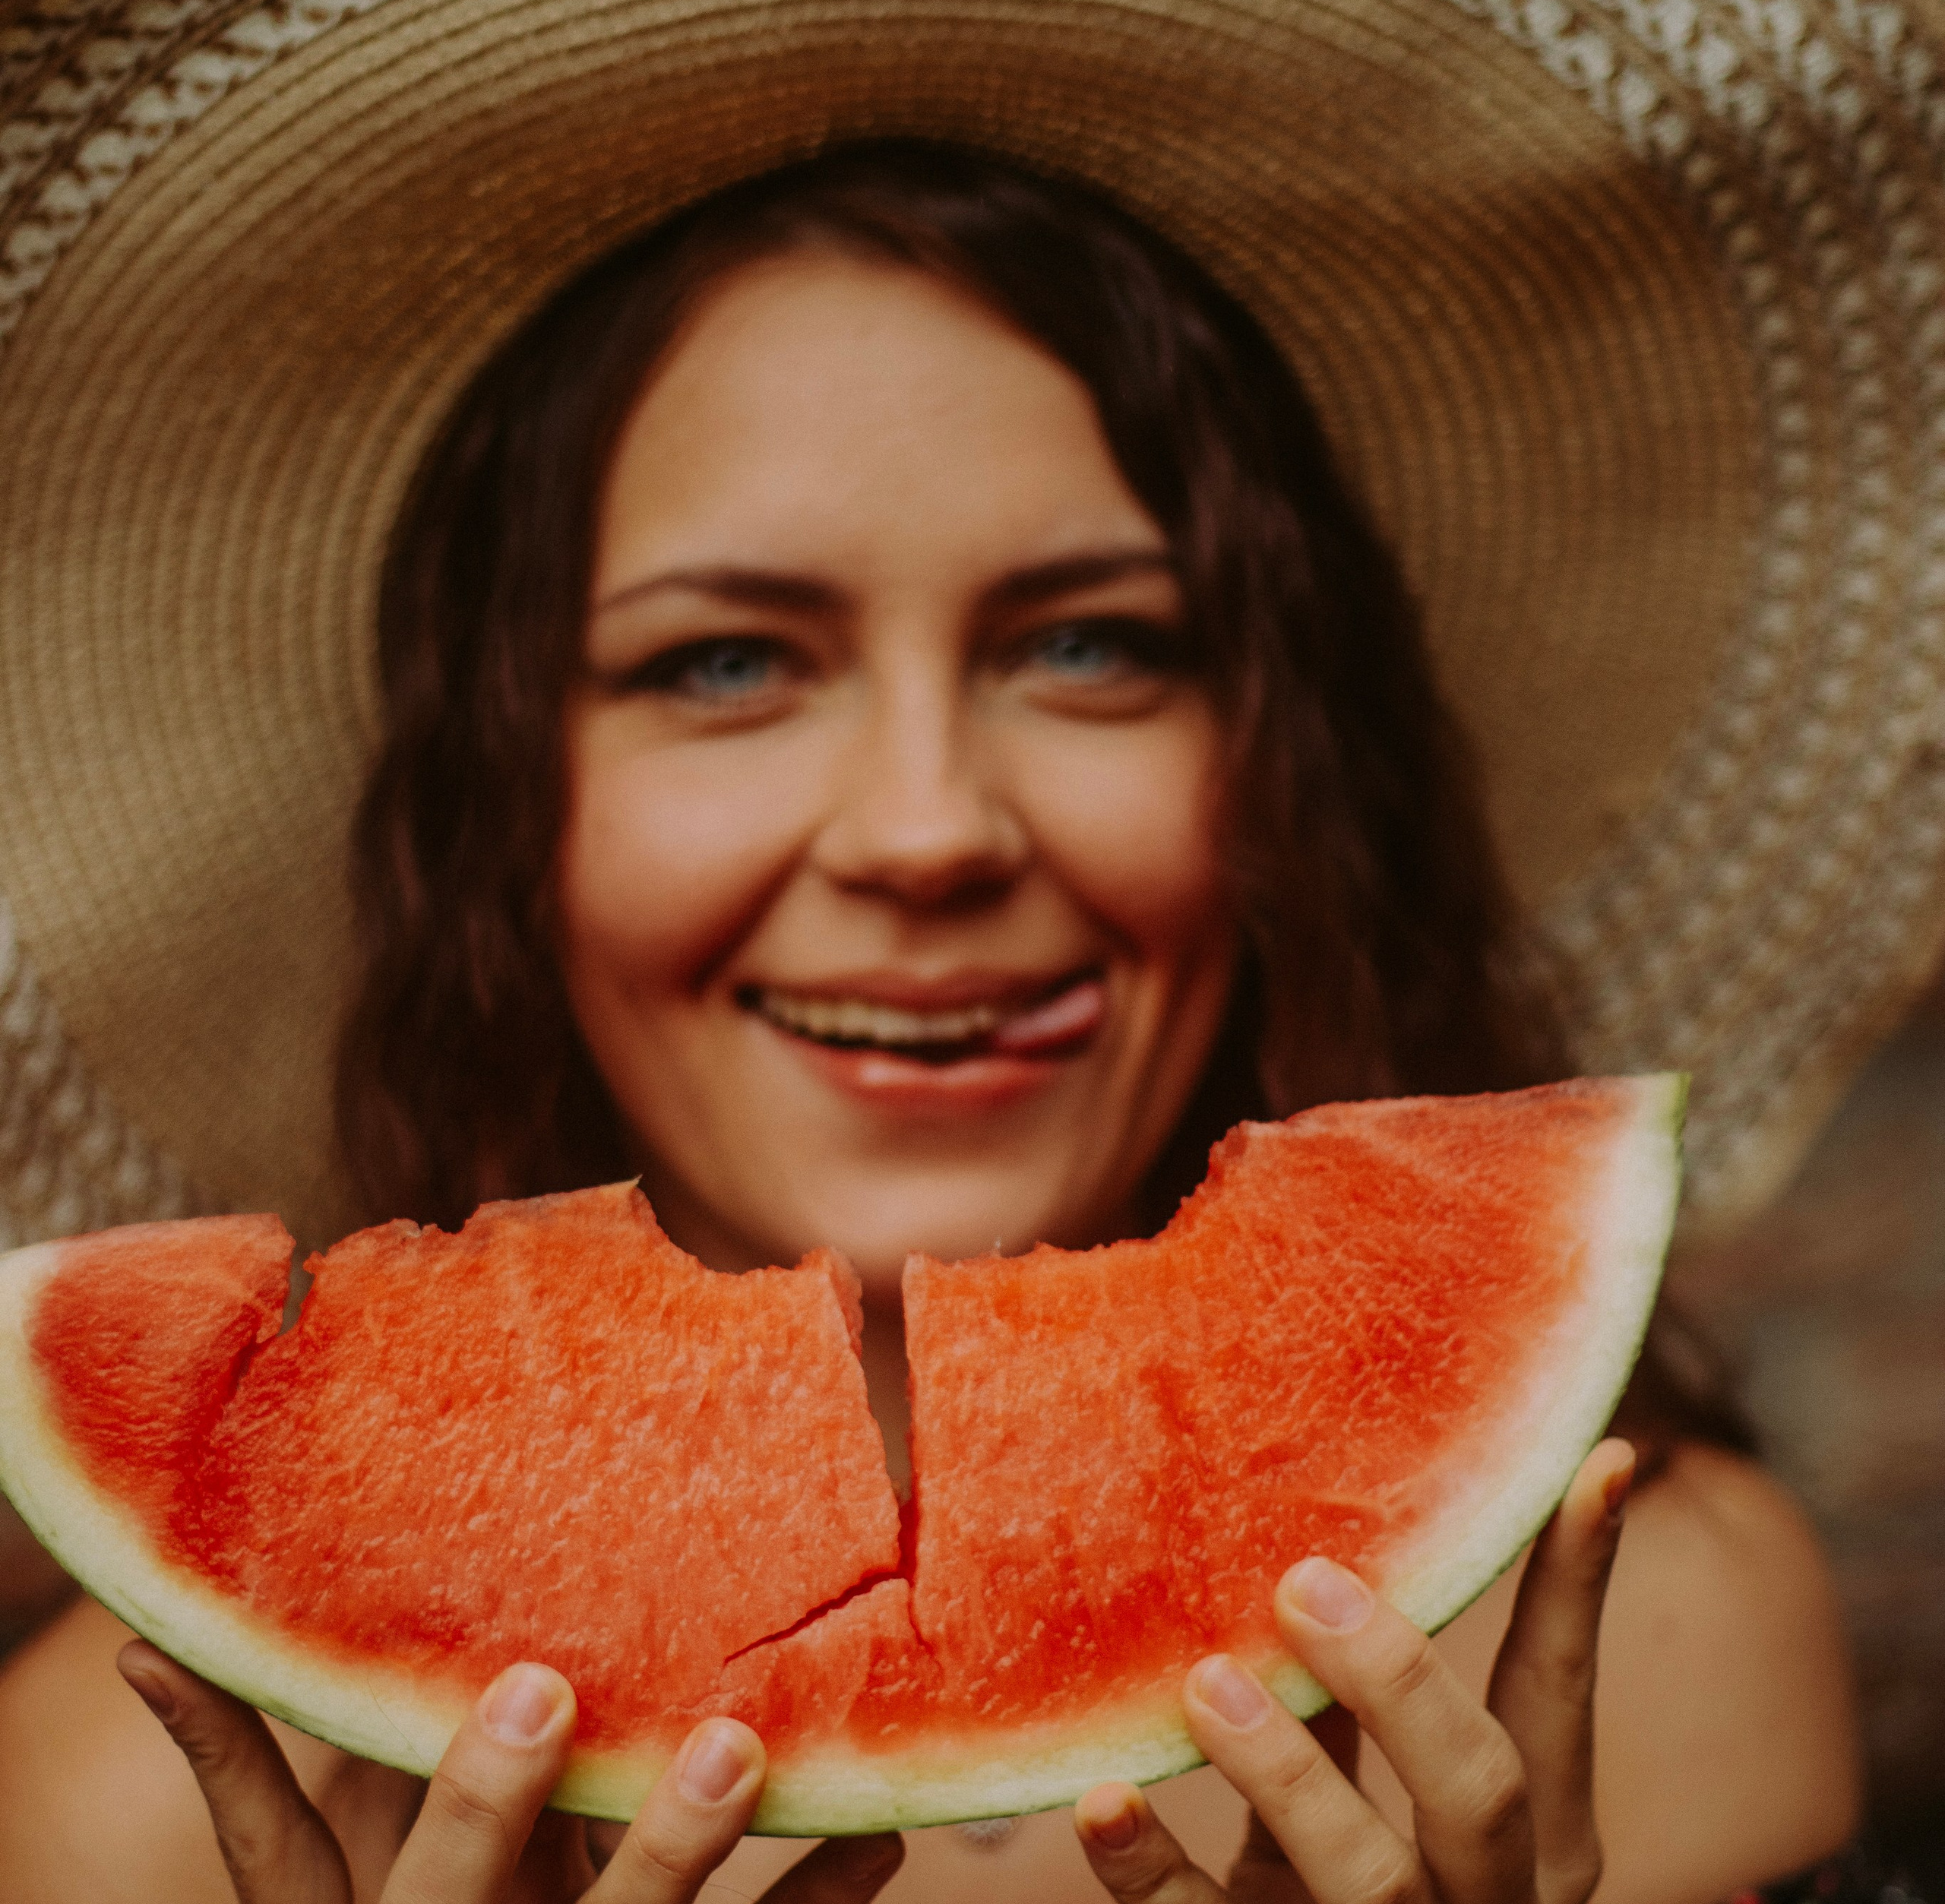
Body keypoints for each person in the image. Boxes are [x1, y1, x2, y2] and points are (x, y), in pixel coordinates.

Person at [0, 138, 1865, 1904]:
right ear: (507, 809)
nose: (926, 830)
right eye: (721, 662)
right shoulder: (126, 1788)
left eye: (1091, 643)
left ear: (1280, 756)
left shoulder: (1651, 1634)